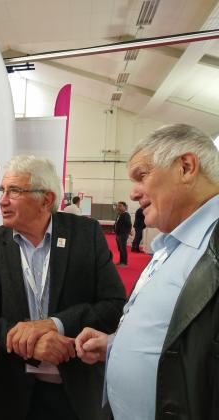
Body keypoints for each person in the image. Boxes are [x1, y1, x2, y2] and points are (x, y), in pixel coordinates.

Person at [0, 155, 126, 420]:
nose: (2, 200)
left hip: (80, 389)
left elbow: (114, 305)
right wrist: (25, 340)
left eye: (14, 191)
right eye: (2, 191)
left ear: (45, 200)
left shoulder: (86, 235)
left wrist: (54, 324)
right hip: (14, 391)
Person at [75, 123, 219, 420]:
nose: (134, 192)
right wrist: (116, 344)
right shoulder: (172, 243)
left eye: (142, 176)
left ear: (186, 167)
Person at [114, 201, 131, 266]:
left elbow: (129, 224)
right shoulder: (119, 214)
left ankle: (124, 262)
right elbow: (117, 223)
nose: (118, 207)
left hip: (123, 234)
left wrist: (128, 232)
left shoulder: (126, 215)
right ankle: (121, 261)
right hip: (118, 234)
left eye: (120, 206)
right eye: (118, 206)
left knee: (123, 248)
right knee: (120, 248)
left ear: (125, 207)